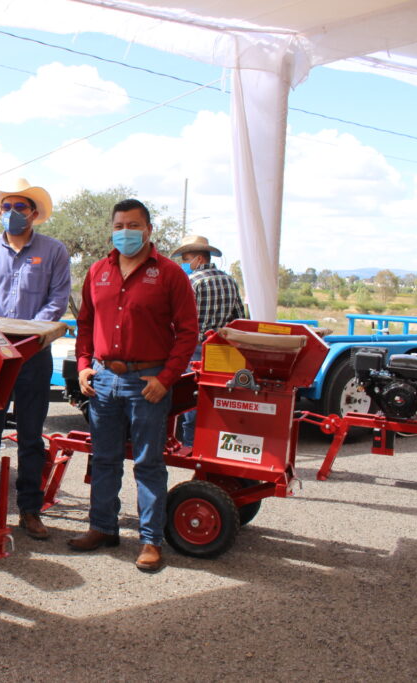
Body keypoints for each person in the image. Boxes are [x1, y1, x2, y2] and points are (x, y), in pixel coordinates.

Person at [68, 198, 197, 572]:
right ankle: (102, 528)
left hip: (147, 382)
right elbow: (87, 325)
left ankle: (150, 541)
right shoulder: (98, 271)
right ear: (112, 229)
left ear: (149, 230)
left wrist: (166, 378)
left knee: (148, 463)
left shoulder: (171, 274)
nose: (126, 232)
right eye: (120, 225)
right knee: (104, 459)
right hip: (104, 380)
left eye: (134, 225)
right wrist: (82, 367)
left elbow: (188, 332)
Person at [0, 178, 71, 540]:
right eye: (6, 207)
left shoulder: (54, 251)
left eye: (20, 207)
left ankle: (29, 509)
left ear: (34, 213)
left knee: (30, 435)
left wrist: (27, 337)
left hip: (33, 356)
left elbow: (57, 300)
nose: (12, 213)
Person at [171, 234, 246, 447]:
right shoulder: (230, 281)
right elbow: (239, 319)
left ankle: (191, 444)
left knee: (191, 398)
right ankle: (216, 445)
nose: (184, 264)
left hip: (193, 348)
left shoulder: (190, 282)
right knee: (218, 397)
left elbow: (177, 319)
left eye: (186, 259)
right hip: (222, 349)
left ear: (200, 259)